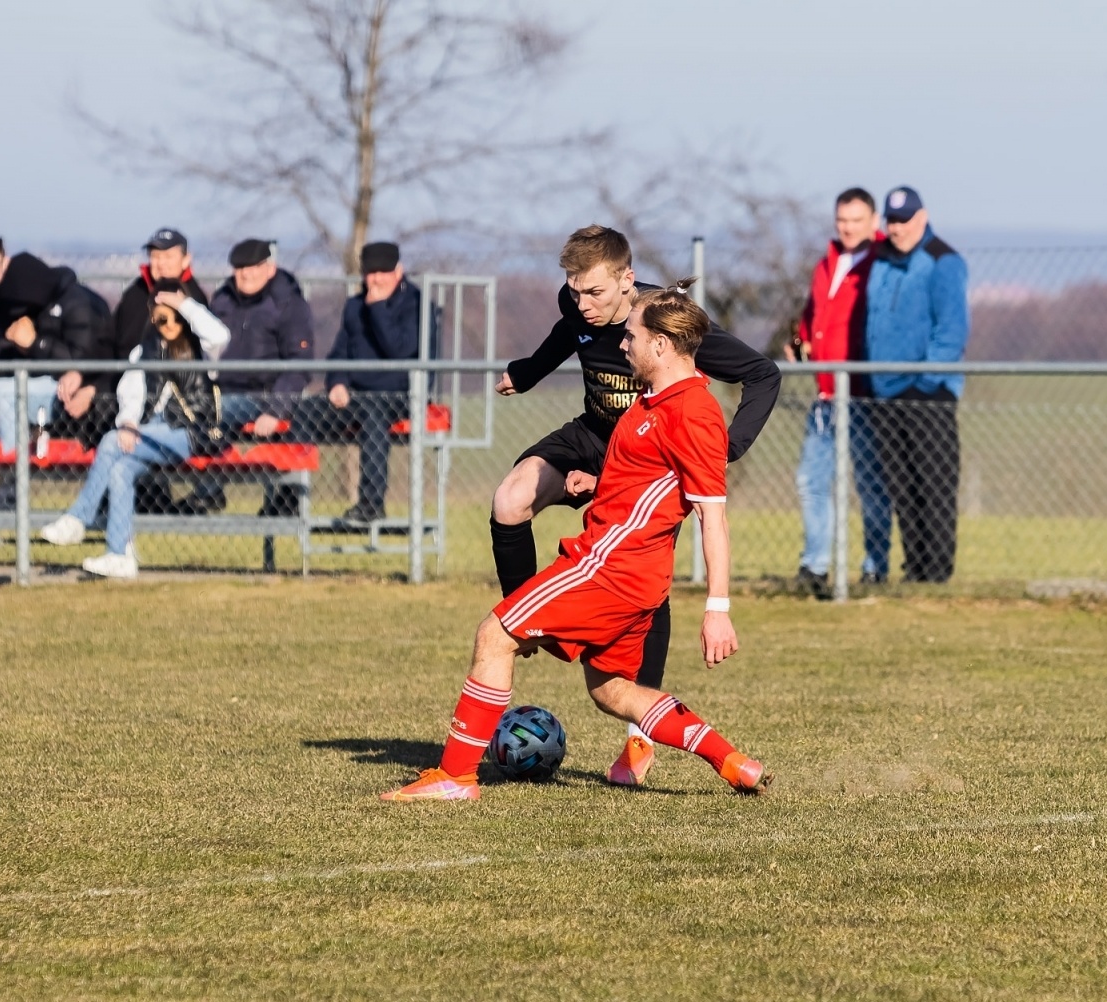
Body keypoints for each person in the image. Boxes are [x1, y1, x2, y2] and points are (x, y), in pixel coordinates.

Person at [381, 281, 770, 802]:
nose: (622, 344)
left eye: (631, 336)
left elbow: (711, 516)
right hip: (635, 577)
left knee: (494, 636)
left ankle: (455, 777)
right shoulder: (653, 400)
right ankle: (731, 762)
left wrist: (717, 609)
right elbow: (655, 481)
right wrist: (600, 484)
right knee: (612, 691)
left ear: (660, 345)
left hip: (609, 568)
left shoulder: (693, 412)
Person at [490, 224, 780, 788]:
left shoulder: (664, 323)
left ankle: (638, 738)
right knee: (511, 497)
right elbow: (567, 333)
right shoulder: (578, 304)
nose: (583, 303)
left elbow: (763, 374)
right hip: (597, 435)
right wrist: (527, 372)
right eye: (574, 291)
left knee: (646, 582)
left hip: (650, 457)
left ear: (628, 280)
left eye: (595, 292)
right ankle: (522, 621)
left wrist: (726, 449)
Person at [38, 285, 231, 579]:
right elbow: (131, 391)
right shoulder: (144, 351)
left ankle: (78, 518)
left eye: (175, 317)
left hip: (193, 432)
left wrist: (185, 304)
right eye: (160, 319)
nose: (168, 324)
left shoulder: (202, 349)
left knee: (110, 441)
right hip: (152, 431)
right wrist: (128, 422)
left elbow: (221, 336)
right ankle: (119, 555)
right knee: (121, 471)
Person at [788, 187, 890, 597]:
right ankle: (815, 566)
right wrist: (800, 340)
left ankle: (875, 567)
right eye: (842, 220)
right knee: (811, 481)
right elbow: (813, 315)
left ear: (874, 221)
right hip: (826, 396)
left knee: (870, 484)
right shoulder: (827, 263)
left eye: (856, 220)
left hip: (862, 395)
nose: (847, 228)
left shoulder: (882, 263)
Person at [865, 186, 970, 584]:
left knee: (934, 482)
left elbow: (952, 330)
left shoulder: (942, 260)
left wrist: (925, 382)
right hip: (884, 391)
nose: (897, 228)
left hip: (927, 393)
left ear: (922, 218)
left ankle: (937, 572)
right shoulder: (882, 259)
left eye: (905, 220)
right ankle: (915, 569)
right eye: (891, 221)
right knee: (902, 485)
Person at [301, 240, 417, 523]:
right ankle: (287, 499)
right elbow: (339, 354)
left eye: (383, 272)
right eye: (370, 273)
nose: (376, 279)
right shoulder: (354, 306)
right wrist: (337, 383)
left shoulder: (413, 304)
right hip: (355, 395)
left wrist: (377, 309)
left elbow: (400, 350)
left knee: (374, 415)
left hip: (398, 396)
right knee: (304, 411)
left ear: (398, 271)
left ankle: (370, 504)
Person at [0, 251, 114, 454]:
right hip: (41, 378)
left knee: (9, 397)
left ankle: (14, 469)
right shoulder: (40, 302)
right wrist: (19, 343)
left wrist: (35, 343)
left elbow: (81, 361)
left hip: (77, 384)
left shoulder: (79, 304)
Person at [207, 239, 315, 515]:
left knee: (213, 412)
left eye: (254, 267)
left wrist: (276, 409)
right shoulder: (222, 299)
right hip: (220, 391)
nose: (246, 274)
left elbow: (299, 364)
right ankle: (186, 492)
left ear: (270, 268)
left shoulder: (287, 303)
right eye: (240, 268)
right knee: (185, 410)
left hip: (264, 396)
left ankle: (207, 492)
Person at [114, 228, 211, 360]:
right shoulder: (135, 293)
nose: (161, 263)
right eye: (155, 256)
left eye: (168, 256)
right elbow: (116, 338)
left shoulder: (194, 297)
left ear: (186, 259)